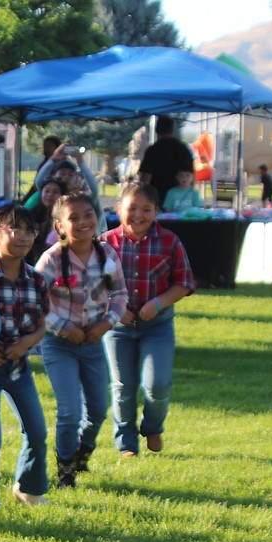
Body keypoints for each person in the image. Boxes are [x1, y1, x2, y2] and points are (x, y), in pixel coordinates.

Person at [35, 193, 127, 488]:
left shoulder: (107, 255)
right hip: (58, 344)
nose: (84, 222)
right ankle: (65, 470)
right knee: (70, 410)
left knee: (99, 408)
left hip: (92, 342)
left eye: (89, 215)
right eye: (74, 218)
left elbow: (120, 295)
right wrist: (63, 327)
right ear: (60, 226)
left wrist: (106, 323)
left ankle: (82, 452)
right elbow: (35, 302)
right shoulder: (52, 259)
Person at [0, 204, 51, 528]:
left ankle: (27, 488)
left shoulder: (36, 279)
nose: (22, 236)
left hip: (18, 366)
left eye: (29, 230)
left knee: (38, 431)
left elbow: (42, 324)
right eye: (13, 229)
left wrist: (23, 346)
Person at [100, 182, 195, 458]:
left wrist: (158, 303)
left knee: (158, 383)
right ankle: (126, 442)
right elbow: (91, 286)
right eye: (132, 208)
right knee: (123, 386)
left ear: (157, 212)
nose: (138, 215)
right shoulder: (105, 244)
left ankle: (152, 425)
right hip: (117, 327)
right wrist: (113, 306)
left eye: (146, 209)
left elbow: (184, 282)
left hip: (158, 325)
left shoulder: (169, 242)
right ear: (119, 209)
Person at [139, 117, 195, 208]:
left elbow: (145, 179)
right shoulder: (183, 149)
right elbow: (192, 177)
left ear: (157, 130)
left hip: (157, 199)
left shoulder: (153, 150)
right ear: (172, 130)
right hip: (180, 201)